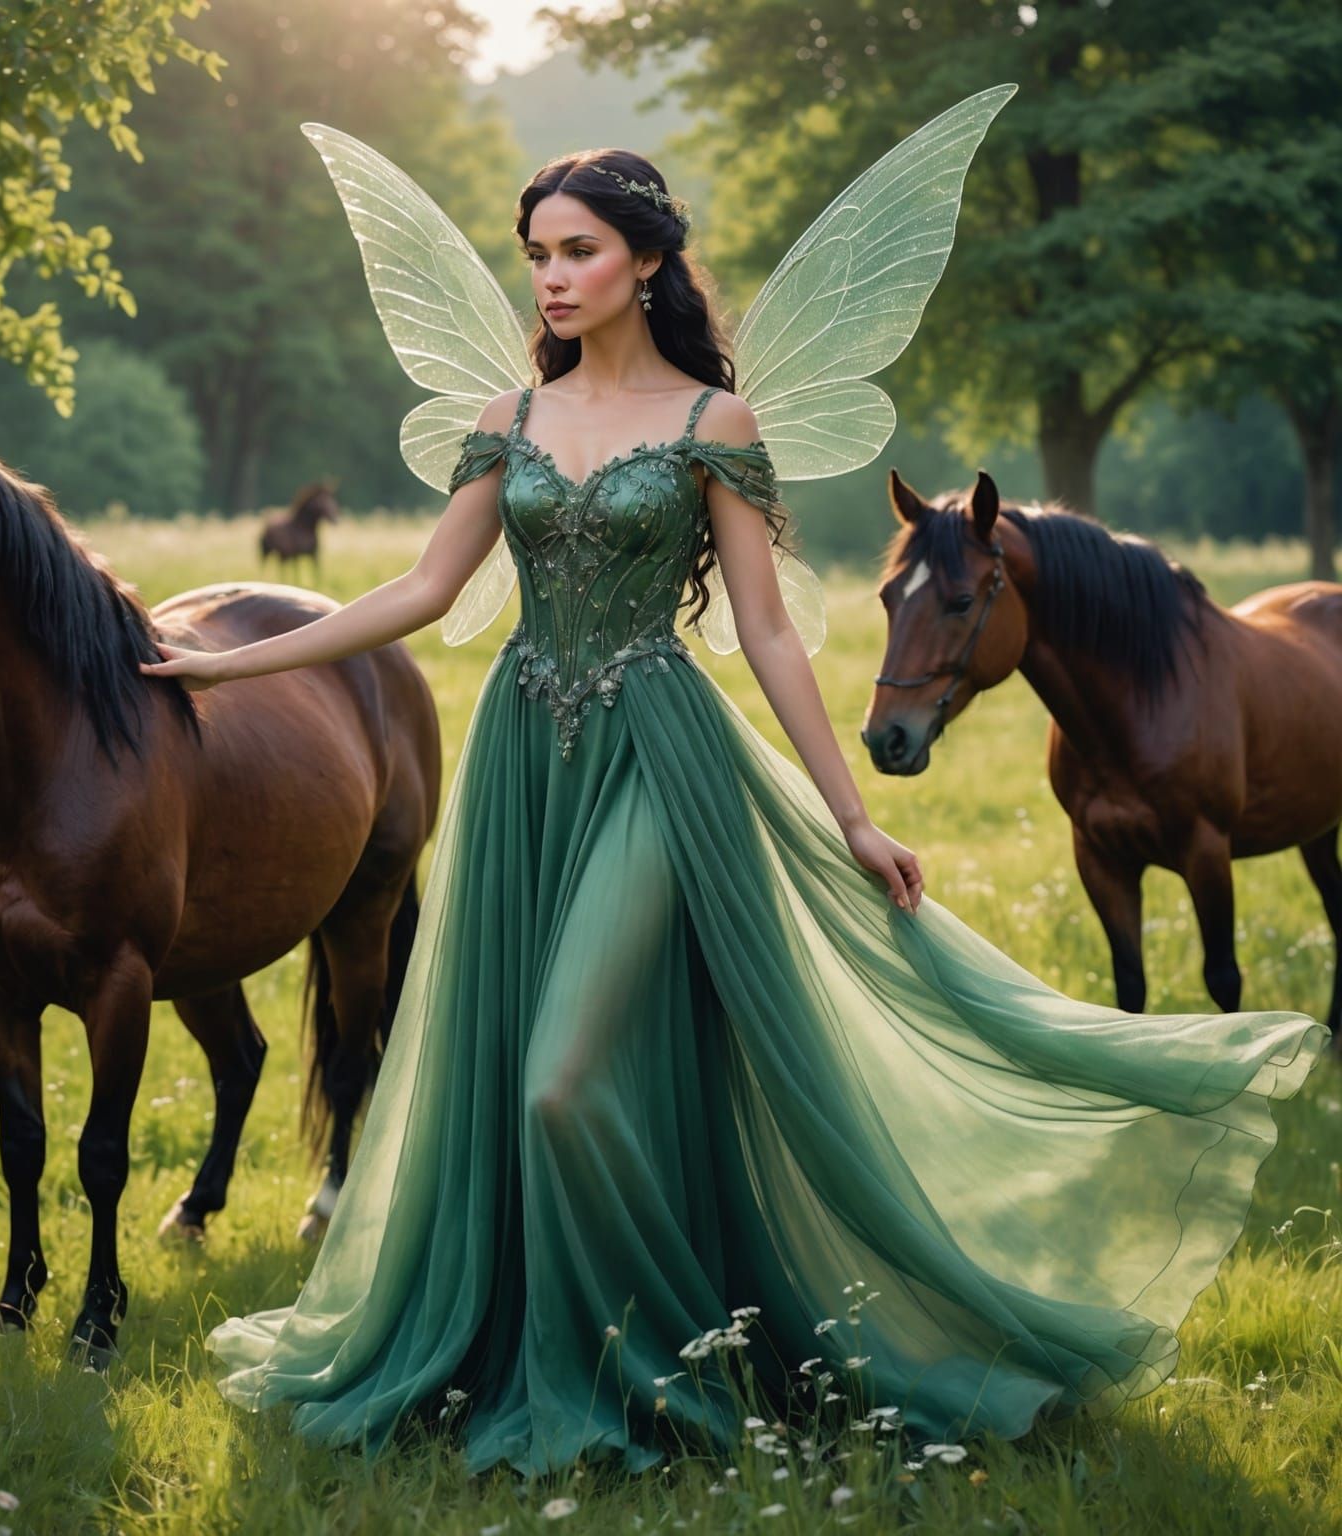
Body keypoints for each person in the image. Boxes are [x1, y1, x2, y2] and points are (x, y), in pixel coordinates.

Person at [138, 125, 1326, 1478]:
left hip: (661, 757)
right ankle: (555, 1350)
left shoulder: (717, 425)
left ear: (649, 261)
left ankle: (666, 1357)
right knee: (531, 1072)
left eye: (579, 251)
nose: (552, 278)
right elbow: (416, 594)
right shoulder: (505, 422)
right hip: (526, 757)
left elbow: (765, 633)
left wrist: (855, 813)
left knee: (561, 1085)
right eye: (537, 256)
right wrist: (230, 660)